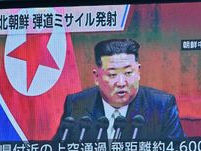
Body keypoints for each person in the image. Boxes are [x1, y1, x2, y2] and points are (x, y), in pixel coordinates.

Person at [54, 39, 185, 141]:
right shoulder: (77, 104)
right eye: (112, 75)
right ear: (96, 76)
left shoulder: (161, 106)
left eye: (128, 73)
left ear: (138, 71)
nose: (121, 83)